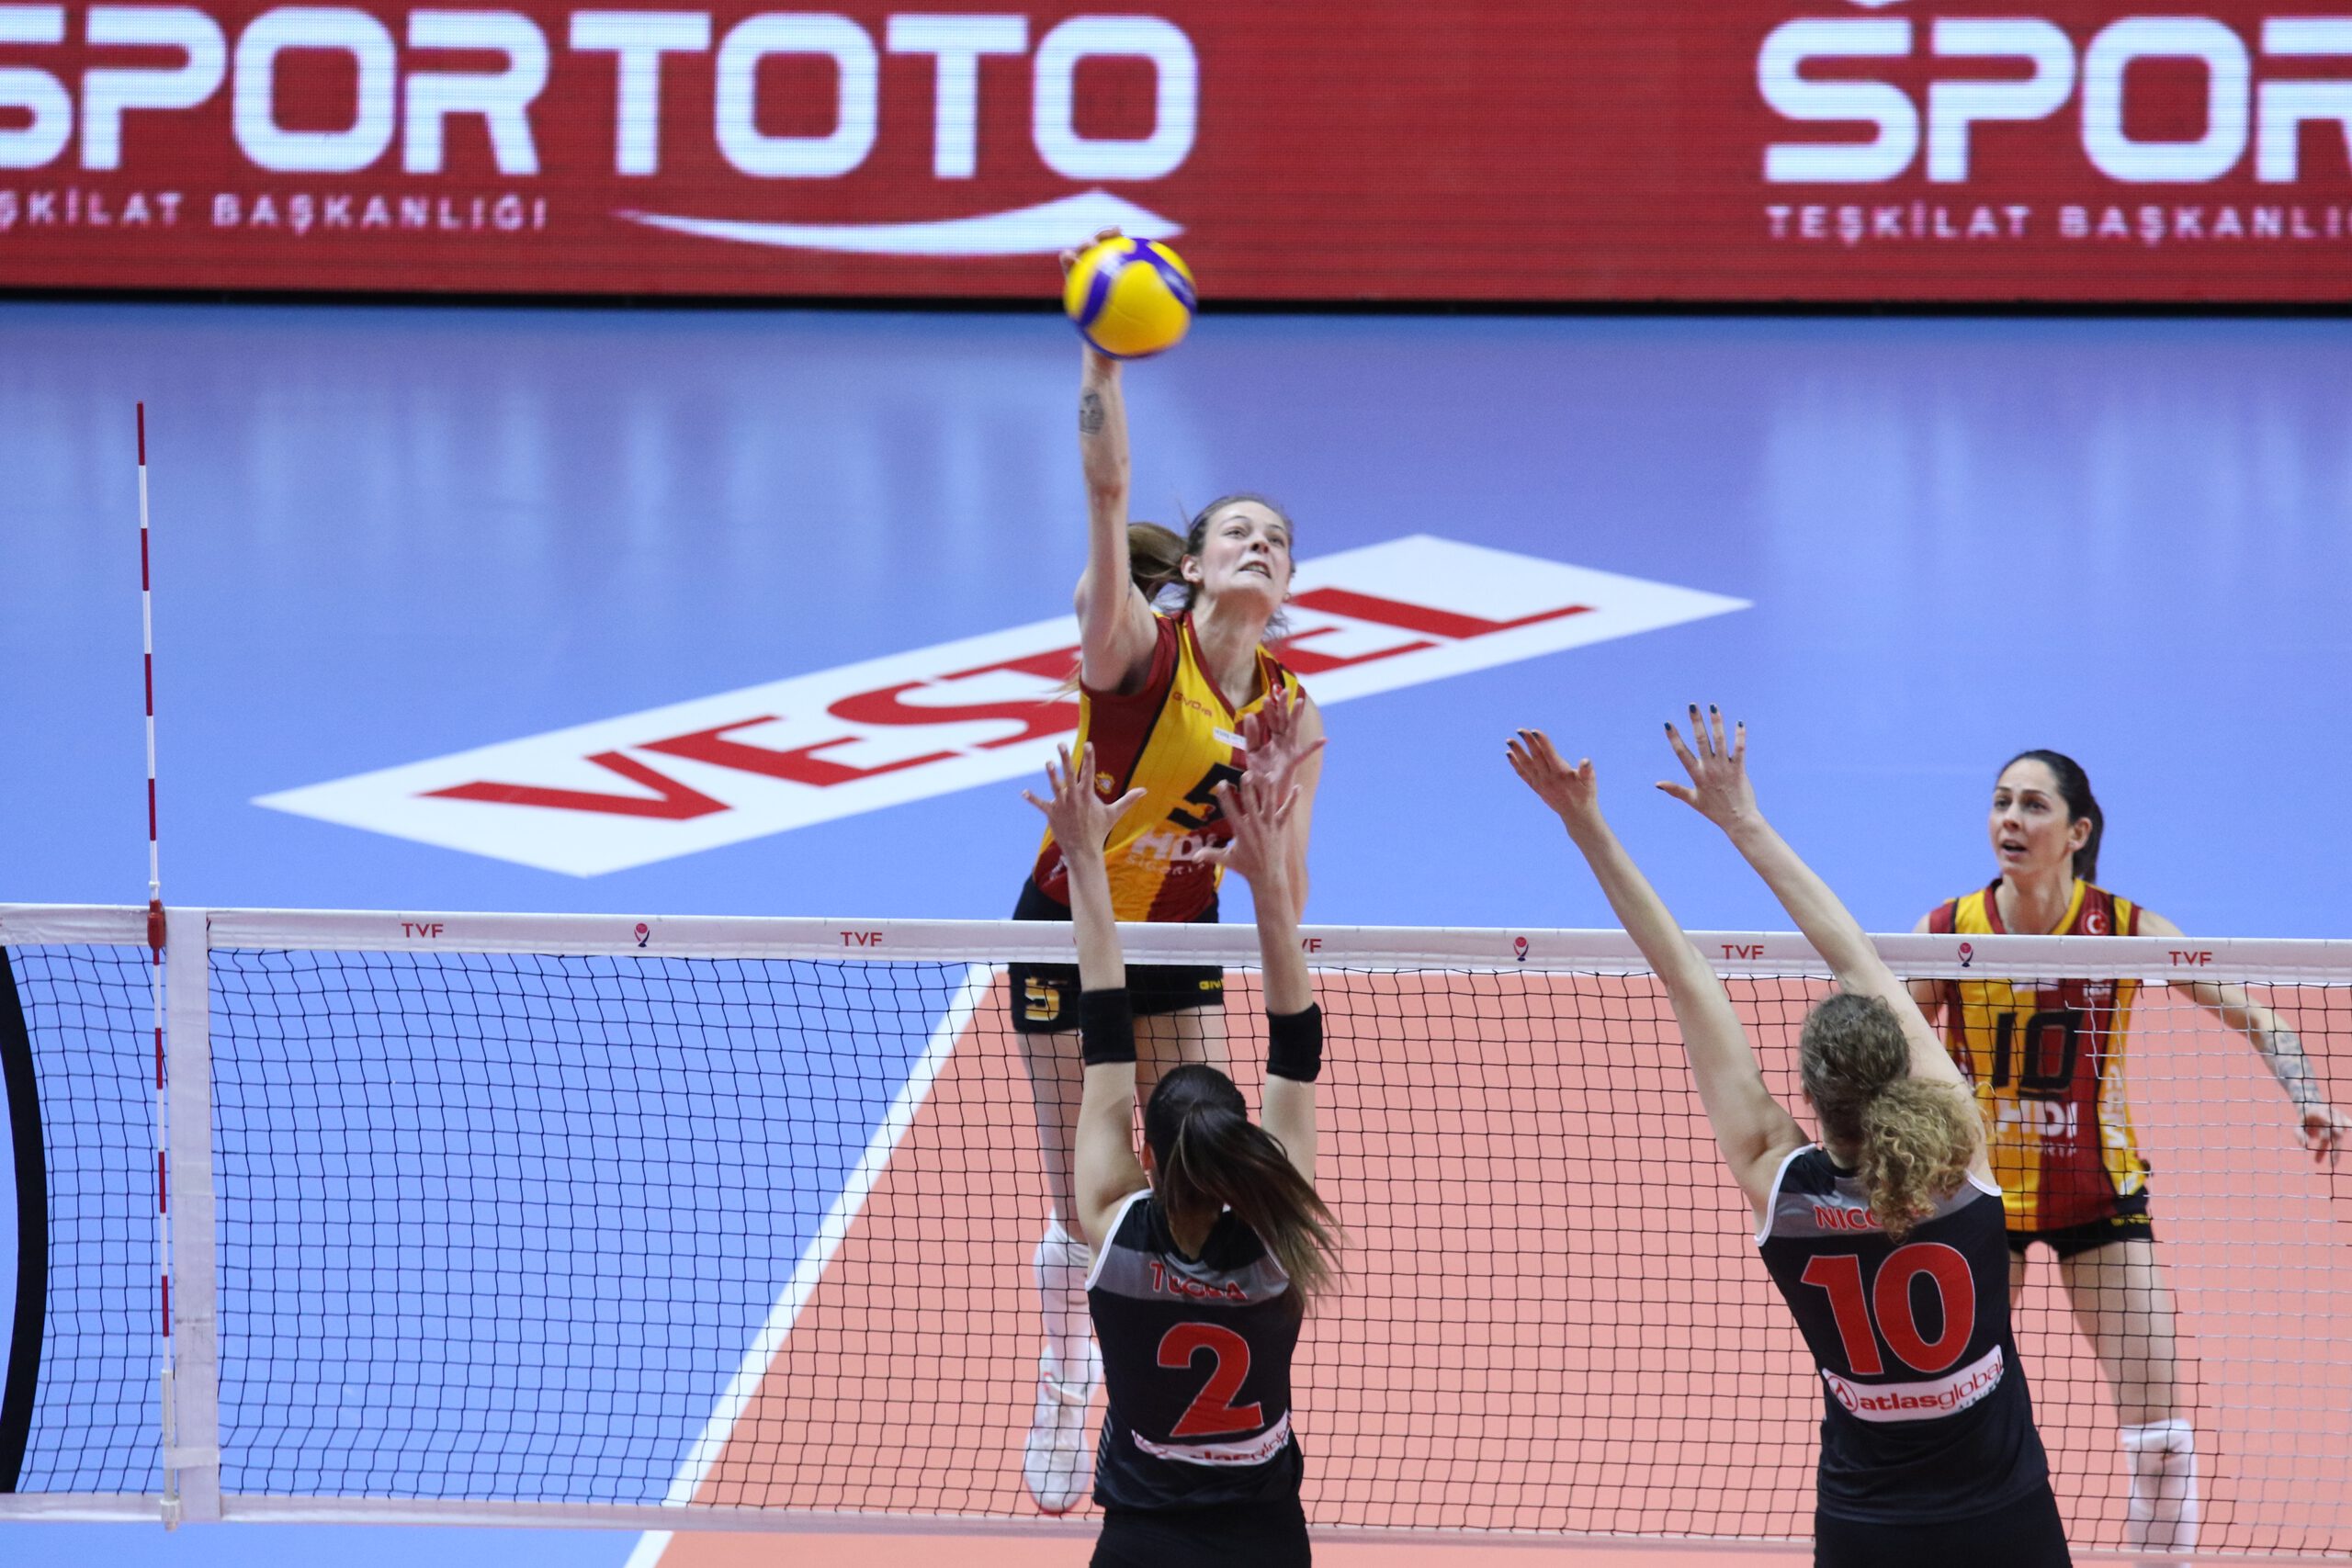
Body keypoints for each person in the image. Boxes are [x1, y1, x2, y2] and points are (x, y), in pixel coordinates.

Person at [1509, 708, 2069, 1568]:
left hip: (1868, 1529)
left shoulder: (1782, 1185)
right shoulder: (1961, 1156)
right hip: (2006, 1516)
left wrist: (1584, 822)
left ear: (1810, 1095)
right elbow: (1857, 960)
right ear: (1906, 1071)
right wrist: (1744, 820)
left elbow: (1684, 974)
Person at [1011, 268, 1327, 1512]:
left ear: (1285, 586)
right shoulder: (1136, 658)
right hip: (1069, 925)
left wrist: (1268, 824)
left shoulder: (1292, 710)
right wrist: (1100, 363)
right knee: (1083, 1197)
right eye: (1237, 532)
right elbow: (1107, 494)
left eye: (1277, 541)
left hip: (1182, 939)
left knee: (1199, 1168)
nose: (1260, 545)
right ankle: (1065, 1369)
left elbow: (1285, 894)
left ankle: (1173, 1372)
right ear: (1191, 567)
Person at [1906, 749, 2346, 1552]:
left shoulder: (2124, 927)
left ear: (2077, 831)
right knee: (1944, 1425)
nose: (2010, 819)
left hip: (2098, 1201)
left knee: (2163, 1444)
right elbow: (1888, 1049)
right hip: (1978, 1201)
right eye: (2001, 801)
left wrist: (2307, 1093)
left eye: (2033, 805)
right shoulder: (1947, 931)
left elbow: (2256, 1016)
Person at [1022, 742, 1337, 1567]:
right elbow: (1295, 1046)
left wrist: (1084, 858)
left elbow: (1105, 1038)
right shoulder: (1278, 1241)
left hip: (1143, 1539)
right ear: (1242, 1154)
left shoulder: (1111, 1230)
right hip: (1266, 1539)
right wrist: (1267, 884)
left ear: (1148, 1159)